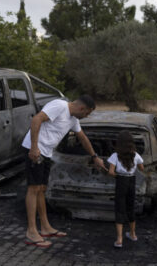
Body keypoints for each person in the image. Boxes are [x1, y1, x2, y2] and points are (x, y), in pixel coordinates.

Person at [22, 95, 107, 248]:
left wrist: (95, 157)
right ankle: (31, 231)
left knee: (41, 189)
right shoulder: (59, 106)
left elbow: (83, 138)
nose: (86, 116)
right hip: (34, 149)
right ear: (82, 108)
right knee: (33, 188)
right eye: (87, 113)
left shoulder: (73, 120)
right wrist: (34, 147)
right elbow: (36, 119)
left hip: (46, 152)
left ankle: (45, 227)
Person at [107, 130, 148, 248]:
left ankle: (119, 239)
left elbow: (110, 172)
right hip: (132, 181)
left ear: (119, 143)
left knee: (120, 208)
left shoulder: (115, 156)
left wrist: (116, 175)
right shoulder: (135, 155)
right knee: (130, 207)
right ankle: (133, 234)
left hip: (121, 182)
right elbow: (141, 168)